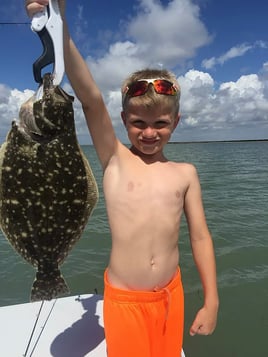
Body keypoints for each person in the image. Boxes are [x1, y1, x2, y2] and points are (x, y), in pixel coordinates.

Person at [26, 1, 219, 356]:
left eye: (160, 123)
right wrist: (59, 23)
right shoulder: (114, 159)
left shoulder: (185, 174)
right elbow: (90, 98)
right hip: (124, 301)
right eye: (138, 123)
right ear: (123, 120)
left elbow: (201, 237)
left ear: (174, 124)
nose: (149, 132)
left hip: (170, 295)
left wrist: (211, 299)